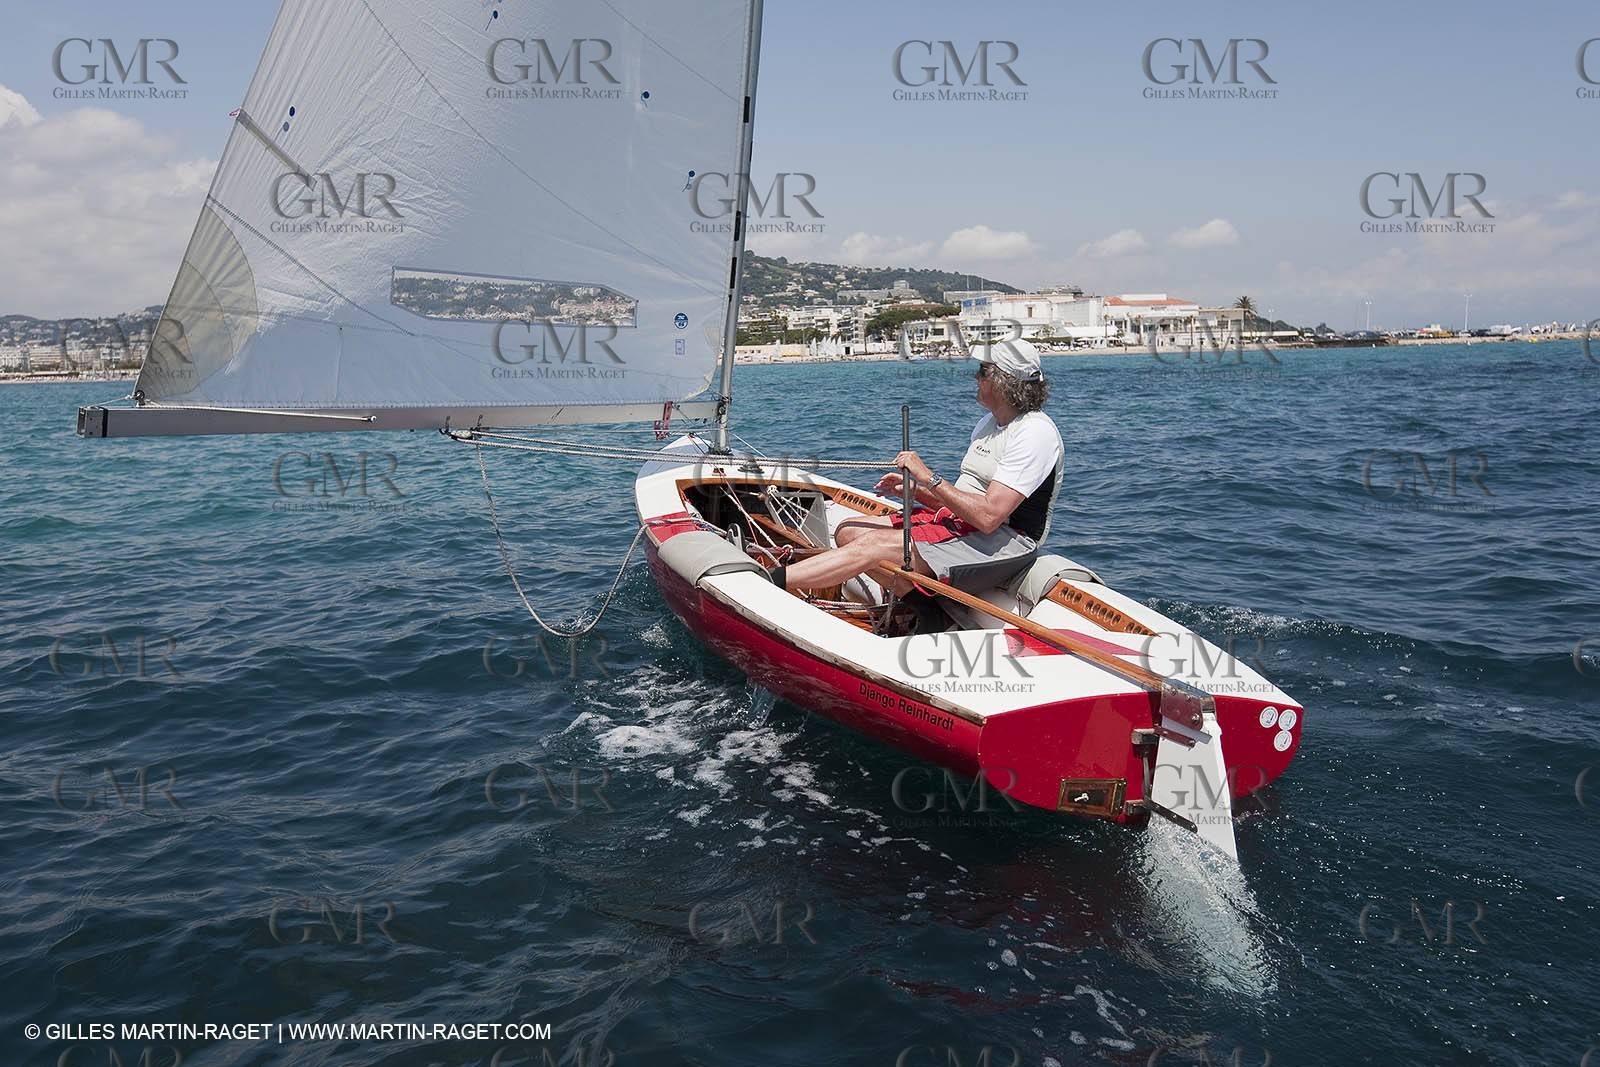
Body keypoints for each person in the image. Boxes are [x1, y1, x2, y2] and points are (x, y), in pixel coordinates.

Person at [770, 337, 1063, 606]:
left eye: (983, 371)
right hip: (965, 525)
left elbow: (988, 517)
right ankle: (922, 606)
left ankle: (770, 580)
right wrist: (918, 492)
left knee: (871, 545)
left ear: (1002, 382)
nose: (976, 377)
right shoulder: (988, 424)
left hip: (1005, 542)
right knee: (848, 531)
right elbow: (966, 503)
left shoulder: (1034, 433)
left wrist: (929, 478)